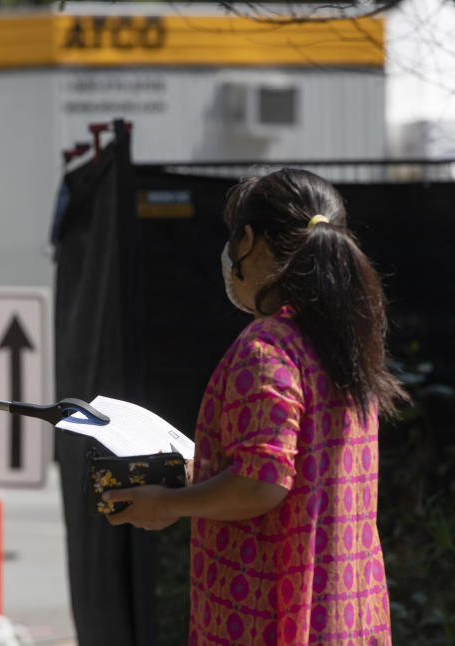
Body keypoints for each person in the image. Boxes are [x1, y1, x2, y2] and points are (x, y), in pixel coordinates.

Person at [102, 168, 406, 645]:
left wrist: (168, 504)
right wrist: (197, 472)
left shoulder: (267, 346)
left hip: (269, 619)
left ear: (247, 241)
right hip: (346, 616)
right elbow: (299, 469)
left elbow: (262, 483)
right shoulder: (345, 345)